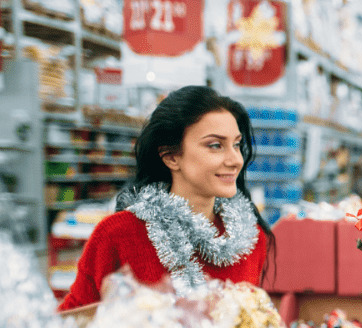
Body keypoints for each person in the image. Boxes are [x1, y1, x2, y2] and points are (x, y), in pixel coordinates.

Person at [58, 85, 273, 311]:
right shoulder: (116, 235)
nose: (235, 159)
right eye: (216, 145)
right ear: (171, 157)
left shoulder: (251, 239)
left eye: (236, 145)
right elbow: (72, 323)